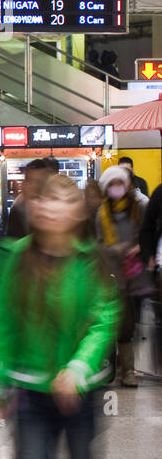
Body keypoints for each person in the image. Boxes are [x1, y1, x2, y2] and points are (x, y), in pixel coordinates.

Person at [0, 174, 120, 459]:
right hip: (29, 392)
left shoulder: (93, 259)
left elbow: (105, 317)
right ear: (35, 207)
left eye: (64, 201)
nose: (52, 208)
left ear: (77, 211)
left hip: (83, 394)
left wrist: (79, 367)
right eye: (45, 200)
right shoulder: (14, 257)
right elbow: (4, 321)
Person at [93, 164, 149, 388]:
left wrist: (138, 247)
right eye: (112, 185)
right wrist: (112, 250)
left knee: (127, 325)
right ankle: (110, 368)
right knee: (109, 322)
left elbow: (148, 233)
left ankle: (128, 370)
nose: (116, 188)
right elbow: (99, 244)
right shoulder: (101, 214)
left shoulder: (139, 208)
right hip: (111, 275)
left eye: (120, 184)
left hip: (134, 274)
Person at [3, 158, 57, 239]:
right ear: (24, 184)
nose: (34, 186)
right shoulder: (17, 209)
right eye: (30, 181)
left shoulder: (57, 210)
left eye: (40, 182)